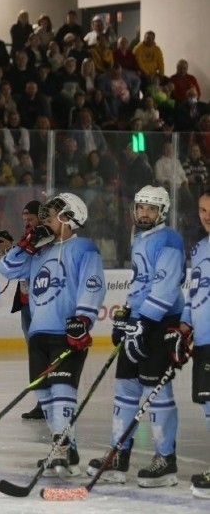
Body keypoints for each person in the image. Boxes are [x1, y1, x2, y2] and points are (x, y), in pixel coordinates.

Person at [0, 192, 105, 477]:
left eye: (53, 212)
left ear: (69, 218)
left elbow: (93, 285)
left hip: (66, 331)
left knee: (61, 390)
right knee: (44, 393)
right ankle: (66, 448)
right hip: (38, 332)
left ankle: (61, 447)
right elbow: (5, 269)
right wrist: (27, 245)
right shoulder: (40, 251)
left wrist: (83, 318)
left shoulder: (84, 248)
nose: (45, 217)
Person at [87, 186, 186, 487]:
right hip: (140, 321)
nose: (144, 213)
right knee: (125, 387)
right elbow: (140, 282)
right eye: (141, 207)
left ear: (162, 212)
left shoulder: (169, 239)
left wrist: (144, 321)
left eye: (151, 209)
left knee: (155, 391)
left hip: (161, 323)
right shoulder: (140, 237)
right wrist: (126, 314)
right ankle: (118, 455)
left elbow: (166, 288)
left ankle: (165, 460)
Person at [0, 200, 45, 420]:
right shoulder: (29, 240)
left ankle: (48, 401)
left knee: (42, 354)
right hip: (26, 305)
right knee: (34, 355)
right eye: (24, 220)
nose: (27, 224)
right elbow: (18, 266)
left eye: (31, 219)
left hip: (41, 307)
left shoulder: (47, 241)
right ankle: (42, 401)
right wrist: (10, 247)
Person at [181, 189, 210, 499]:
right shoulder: (200, 248)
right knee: (208, 404)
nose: (206, 215)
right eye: (203, 209)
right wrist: (186, 325)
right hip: (203, 338)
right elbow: (195, 293)